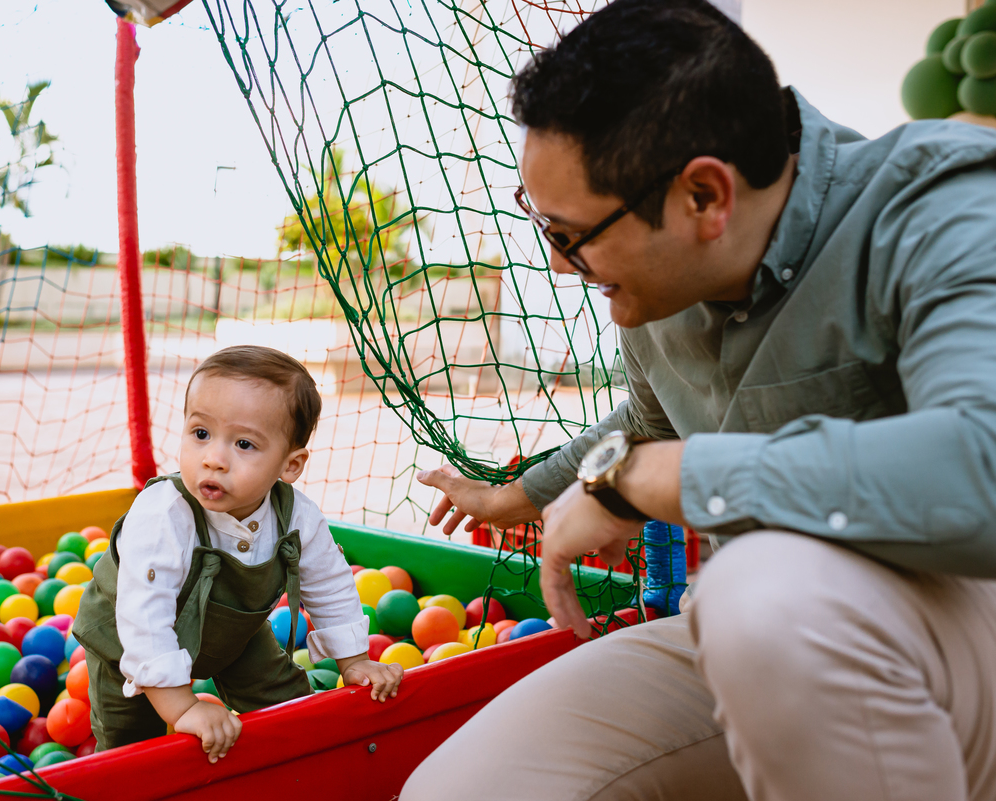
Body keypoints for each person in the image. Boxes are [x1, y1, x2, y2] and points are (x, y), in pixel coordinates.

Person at [403, 0, 996, 798]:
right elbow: (648, 427)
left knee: (758, 591)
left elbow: (981, 472)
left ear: (705, 198)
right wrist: (517, 496)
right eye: (541, 223)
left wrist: (665, 477)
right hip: (776, 644)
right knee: (465, 788)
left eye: (569, 234)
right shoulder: (661, 282)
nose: (558, 264)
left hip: (943, 620)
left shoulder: (938, 203)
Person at [74, 345, 403, 763]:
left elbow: (329, 582)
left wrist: (354, 661)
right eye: (200, 434)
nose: (214, 459)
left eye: (244, 444)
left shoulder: (297, 515)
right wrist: (183, 706)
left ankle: (300, 768)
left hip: (229, 634)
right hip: (128, 644)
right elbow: (144, 616)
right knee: (131, 745)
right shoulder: (163, 514)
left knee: (287, 704)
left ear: (290, 465)